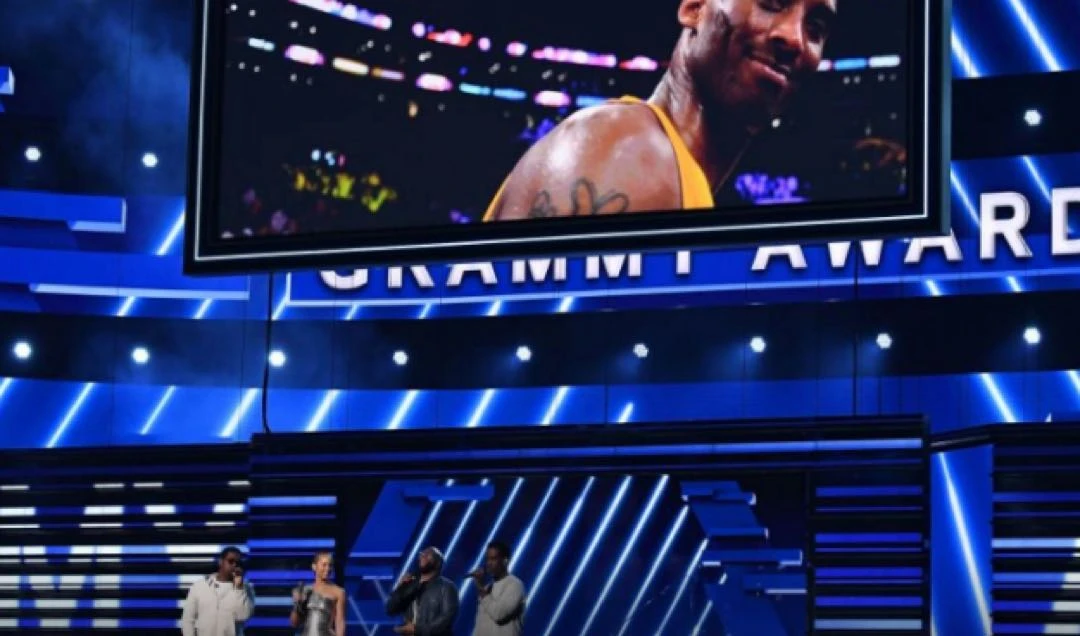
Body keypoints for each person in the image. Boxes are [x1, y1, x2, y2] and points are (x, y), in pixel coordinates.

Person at [484, 0, 838, 221]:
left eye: (816, 28)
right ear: (695, 7)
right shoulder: (631, 153)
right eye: (772, 3)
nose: (795, 38)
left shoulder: (671, 173)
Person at [181, 546, 256, 636]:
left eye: (238, 563)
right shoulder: (200, 586)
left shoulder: (246, 588)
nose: (234, 565)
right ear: (221, 562)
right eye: (231, 561)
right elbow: (188, 619)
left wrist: (239, 588)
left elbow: (243, 615)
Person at [386, 546, 459, 636]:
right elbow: (390, 610)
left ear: (437, 563)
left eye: (428, 554)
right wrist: (400, 589)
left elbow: (447, 618)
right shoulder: (410, 585)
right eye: (422, 554)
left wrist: (417, 630)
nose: (422, 555)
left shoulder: (447, 587)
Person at [469, 541, 525, 636]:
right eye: (487, 559)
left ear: (505, 561)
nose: (488, 563)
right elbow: (480, 622)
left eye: (493, 559)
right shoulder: (487, 588)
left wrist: (480, 587)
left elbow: (499, 614)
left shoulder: (515, 585)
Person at [291, 551, 348, 636]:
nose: (328, 568)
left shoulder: (339, 592)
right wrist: (298, 604)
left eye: (330, 565)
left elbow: (340, 622)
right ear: (314, 566)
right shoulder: (305, 590)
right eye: (324, 565)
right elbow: (294, 623)